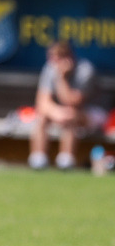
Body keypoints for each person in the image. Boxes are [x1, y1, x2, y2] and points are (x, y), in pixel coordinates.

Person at [28, 41, 106, 170]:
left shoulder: (85, 70)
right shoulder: (50, 68)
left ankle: (66, 160)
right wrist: (57, 113)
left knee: (70, 116)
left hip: (93, 114)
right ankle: (38, 160)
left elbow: (72, 102)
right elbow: (42, 102)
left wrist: (61, 79)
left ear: (69, 58)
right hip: (64, 112)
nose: (53, 62)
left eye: (57, 58)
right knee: (43, 117)